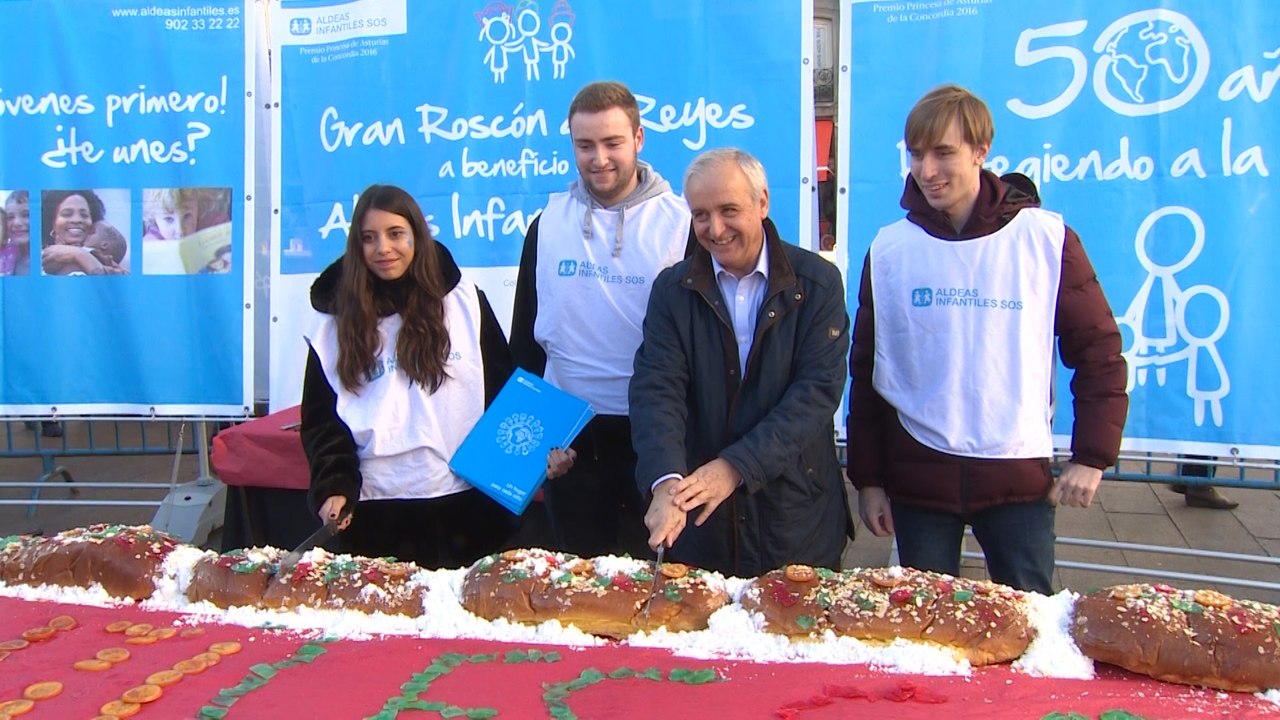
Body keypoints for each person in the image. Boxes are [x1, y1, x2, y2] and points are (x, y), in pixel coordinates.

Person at [846, 84, 1128, 595]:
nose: (927, 171)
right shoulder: (890, 249)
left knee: (1030, 633)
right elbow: (867, 371)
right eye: (916, 155)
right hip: (919, 484)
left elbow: (1098, 351)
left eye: (943, 153)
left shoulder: (1045, 239)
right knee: (926, 637)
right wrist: (868, 480)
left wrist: (1092, 456)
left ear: (981, 150)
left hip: (1015, 483)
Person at [300, 184, 574, 569]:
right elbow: (322, 423)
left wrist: (538, 455)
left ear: (417, 235)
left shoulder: (464, 303)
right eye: (369, 238)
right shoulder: (331, 326)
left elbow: (505, 394)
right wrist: (333, 487)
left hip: (469, 509)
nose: (383, 248)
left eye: (396, 234)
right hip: (378, 513)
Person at [632, 148, 854, 577]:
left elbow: (814, 396)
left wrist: (736, 466)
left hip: (795, 516)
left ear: (763, 203)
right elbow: (656, 391)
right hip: (702, 524)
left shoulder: (818, 284)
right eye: (700, 215)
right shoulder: (671, 291)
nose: (715, 229)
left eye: (728, 210)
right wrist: (665, 481)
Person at [509, 80, 693, 558]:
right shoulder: (546, 223)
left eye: (612, 143)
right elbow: (526, 340)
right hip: (571, 440)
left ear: (639, 139)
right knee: (578, 586)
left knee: (655, 583)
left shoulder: (681, 223)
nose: (599, 158)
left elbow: (699, 344)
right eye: (585, 145)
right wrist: (536, 438)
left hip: (653, 436)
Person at [40, 189, 120, 276]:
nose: (77, 220)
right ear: (52, 222)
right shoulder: (35, 260)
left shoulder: (106, 261)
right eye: (67, 214)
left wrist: (80, 255)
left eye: (84, 215)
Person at [2, 190, 32, 276]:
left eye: (26, 215)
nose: (17, 223)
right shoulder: (5, 257)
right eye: (10, 217)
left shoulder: (49, 258)